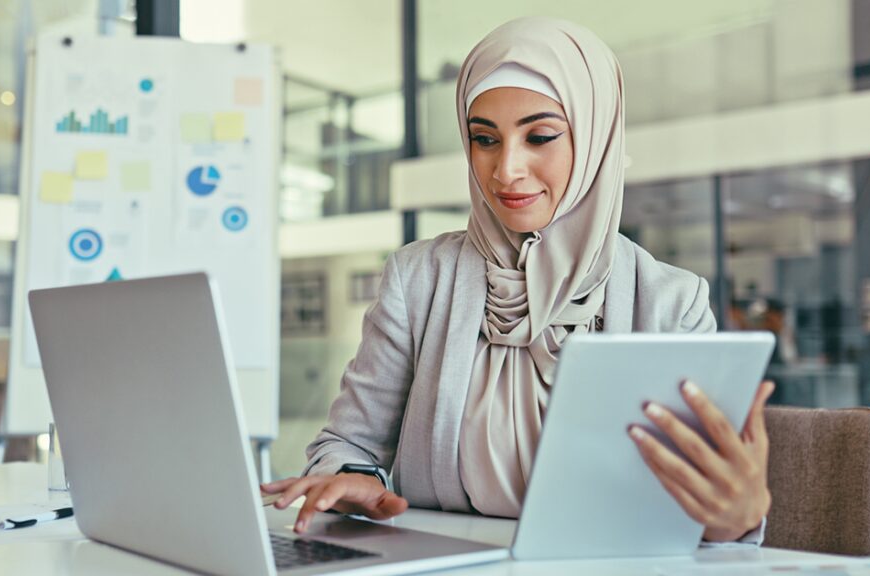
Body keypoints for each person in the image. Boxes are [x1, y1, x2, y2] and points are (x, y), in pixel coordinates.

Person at [261, 16, 774, 544]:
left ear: (595, 138)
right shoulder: (417, 281)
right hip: (443, 564)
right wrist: (352, 479)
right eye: (484, 139)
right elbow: (347, 444)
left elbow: (703, 515)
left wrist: (735, 516)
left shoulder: (671, 303)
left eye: (541, 136)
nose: (506, 170)